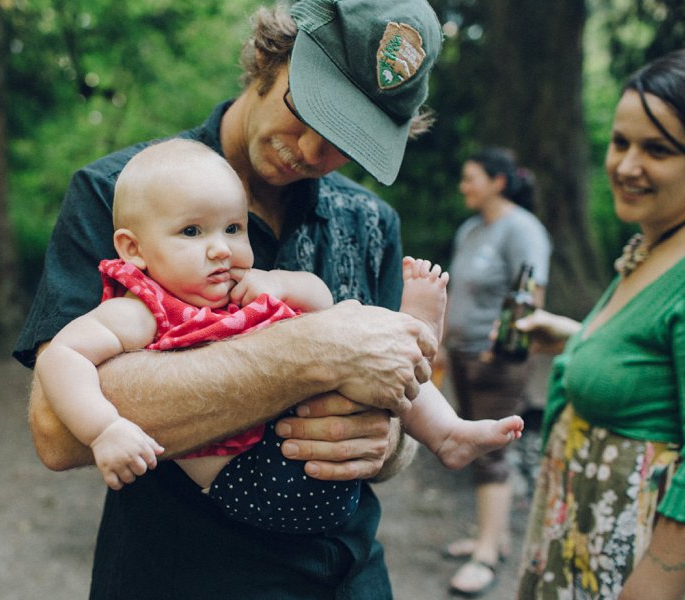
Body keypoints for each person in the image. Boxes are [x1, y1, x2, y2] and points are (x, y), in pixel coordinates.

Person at [14, 0, 447, 597]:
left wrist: (390, 443)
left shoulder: (371, 220)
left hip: (351, 573)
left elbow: (407, 398)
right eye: (311, 111)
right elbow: (55, 434)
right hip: (182, 576)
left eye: (350, 139)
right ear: (272, 57)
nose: (314, 153)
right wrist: (305, 354)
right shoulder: (118, 192)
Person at [36, 138, 525, 534]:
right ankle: (414, 333)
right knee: (345, 346)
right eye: (192, 233)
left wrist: (276, 283)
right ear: (133, 248)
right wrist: (104, 429)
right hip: (250, 484)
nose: (221, 250)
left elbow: (320, 299)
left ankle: (447, 430)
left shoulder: (250, 284)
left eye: (233, 228)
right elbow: (62, 357)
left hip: (340, 520)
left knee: (357, 338)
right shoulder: (144, 310)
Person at [513, 49, 685, 600]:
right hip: (580, 541)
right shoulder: (650, 246)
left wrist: (659, 575)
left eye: (656, 150)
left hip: (632, 565)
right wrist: (577, 337)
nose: (627, 165)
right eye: (620, 142)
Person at [439, 147, 552, 596]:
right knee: (476, 447)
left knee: (492, 455)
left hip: (498, 364)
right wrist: (442, 346)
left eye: (472, 178)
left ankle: (486, 554)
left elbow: (531, 298)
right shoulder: (471, 229)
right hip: (463, 358)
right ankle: (494, 536)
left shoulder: (521, 229)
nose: (464, 186)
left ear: (498, 182)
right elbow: (454, 293)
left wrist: (505, 348)